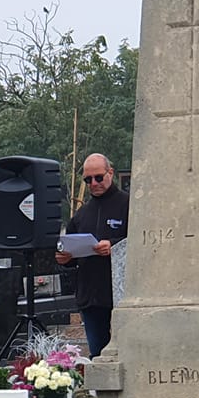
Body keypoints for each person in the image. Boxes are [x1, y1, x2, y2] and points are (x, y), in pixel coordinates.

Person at [54, 153, 129, 357]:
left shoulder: (129, 205)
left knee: (129, 352)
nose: (93, 183)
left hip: (123, 295)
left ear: (110, 173)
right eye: (88, 180)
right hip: (91, 296)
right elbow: (67, 252)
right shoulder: (81, 214)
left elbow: (141, 243)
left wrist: (113, 246)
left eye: (98, 177)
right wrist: (65, 258)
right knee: (98, 355)